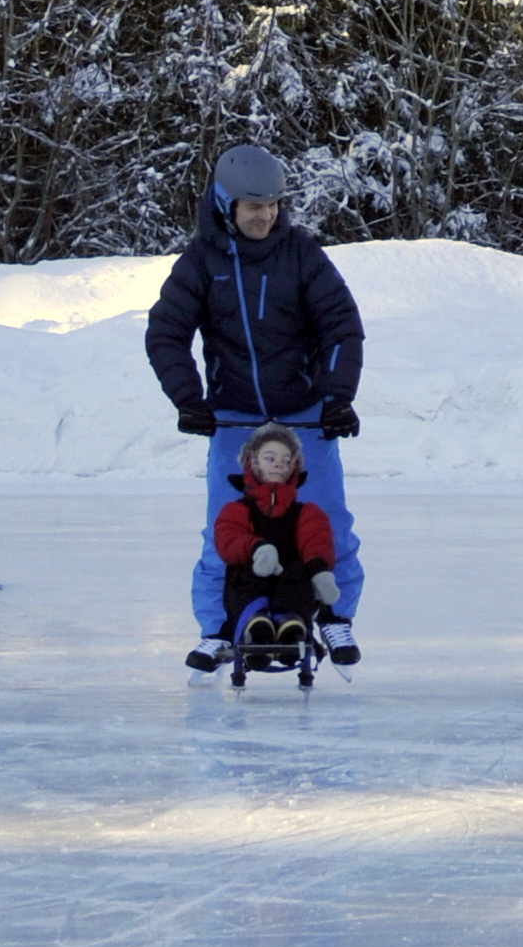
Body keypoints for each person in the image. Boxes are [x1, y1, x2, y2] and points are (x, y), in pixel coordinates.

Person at [146, 144, 367, 671]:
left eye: (271, 204)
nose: (264, 215)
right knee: (224, 529)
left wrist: (337, 397)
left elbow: (341, 326)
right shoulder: (201, 262)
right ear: (226, 203)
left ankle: (334, 618)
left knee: (326, 523)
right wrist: (189, 398)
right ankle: (220, 629)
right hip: (236, 421)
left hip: (304, 418)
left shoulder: (300, 254)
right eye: (252, 205)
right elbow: (166, 333)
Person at [197, 423, 341, 671]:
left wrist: (319, 571)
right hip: (250, 582)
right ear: (253, 463)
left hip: (292, 586)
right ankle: (255, 625)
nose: (278, 464)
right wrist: (257, 549)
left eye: (285, 460)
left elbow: (315, 540)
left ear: (293, 467)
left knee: (297, 572)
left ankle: (290, 626)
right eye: (270, 458)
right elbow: (228, 540)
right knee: (245, 575)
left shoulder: (307, 512)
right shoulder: (236, 510)